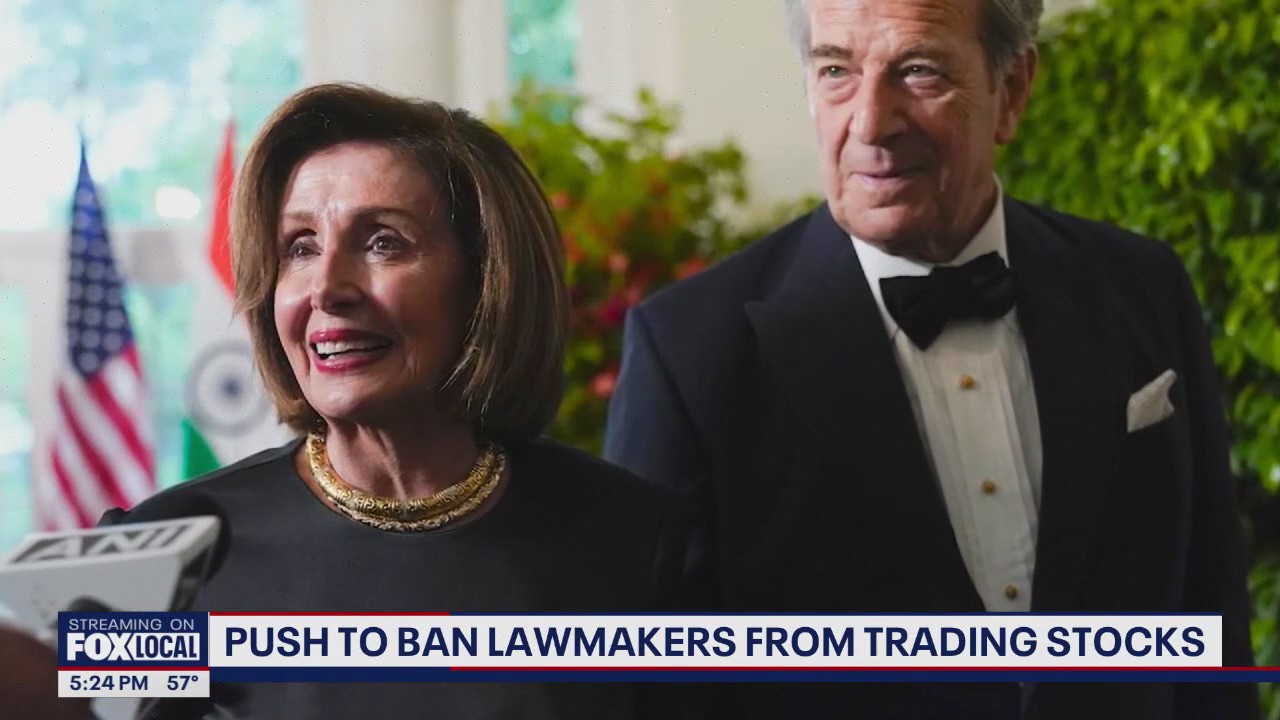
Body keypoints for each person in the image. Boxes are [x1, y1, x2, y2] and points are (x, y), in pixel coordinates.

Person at [603, 0, 1257, 717]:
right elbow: (647, 691)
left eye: (918, 71)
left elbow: (1211, 624)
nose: (870, 124)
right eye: (835, 71)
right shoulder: (692, 351)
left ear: (1012, 89)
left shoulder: (1143, 288)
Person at [100, 83, 691, 720]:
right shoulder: (161, 555)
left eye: (383, 241)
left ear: (485, 281)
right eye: (300, 247)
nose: (326, 287)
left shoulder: (634, 539)